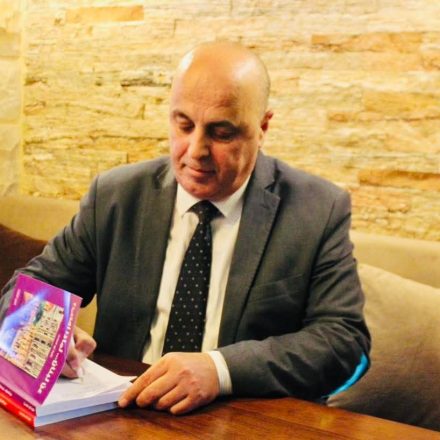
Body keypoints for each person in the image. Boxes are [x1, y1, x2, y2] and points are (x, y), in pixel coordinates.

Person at [0, 41, 370, 415]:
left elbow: (343, 342)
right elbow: (30, 289)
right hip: (122, 411)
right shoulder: (115, 197)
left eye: (221, 133)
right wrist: (48, 332)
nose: (195, 150)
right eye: (184, 125)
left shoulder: (316, 209)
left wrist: (220, 370)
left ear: (262, 128)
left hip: (242, 418)